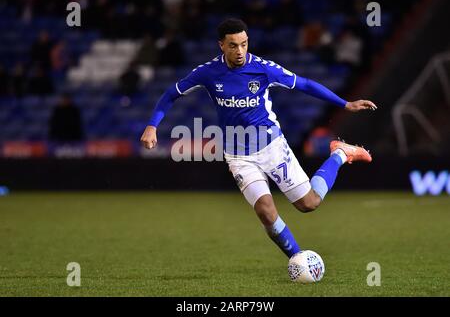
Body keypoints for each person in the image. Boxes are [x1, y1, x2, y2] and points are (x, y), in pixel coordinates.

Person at [140, 18, 377, 259]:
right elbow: (171, 94)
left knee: (309, 204)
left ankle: (339, 154)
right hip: (238, 156)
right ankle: (298, 258)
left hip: (272, 147)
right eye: (233, 45)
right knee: (265, 211)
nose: (240, 51)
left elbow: (303, 84)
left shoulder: (263, 69)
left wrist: (345, 103)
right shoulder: (208, 72)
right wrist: (152, 126)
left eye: (244, 44)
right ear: (221, 45)